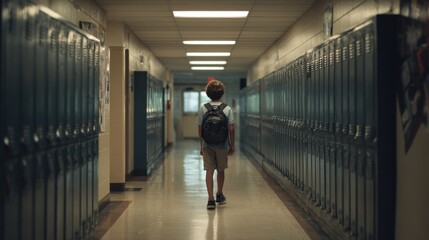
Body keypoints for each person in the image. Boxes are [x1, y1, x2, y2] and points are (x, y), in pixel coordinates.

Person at [197, 79, 235, 209]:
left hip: (207, 144)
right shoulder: (227, 109)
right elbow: (231, 128)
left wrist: (201, 144)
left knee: (209, 170)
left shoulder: (203, 108)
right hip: (222, 144)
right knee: (220, 169)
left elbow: (200, 128)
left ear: (208, 94)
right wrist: (232, 145)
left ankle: (210, 199)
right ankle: (219, 193)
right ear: (222, 93)